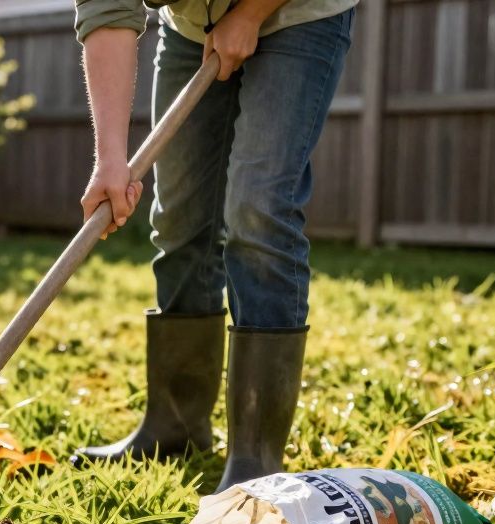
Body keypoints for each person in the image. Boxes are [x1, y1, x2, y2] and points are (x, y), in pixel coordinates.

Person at [70, 0, 356, 490]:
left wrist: (247, 15)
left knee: (258, 208)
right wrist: (110, 160)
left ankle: (255, 456)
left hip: (299, 14)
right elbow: (108, 13)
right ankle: (176, 424)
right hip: (190, 27)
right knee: (179, 216)